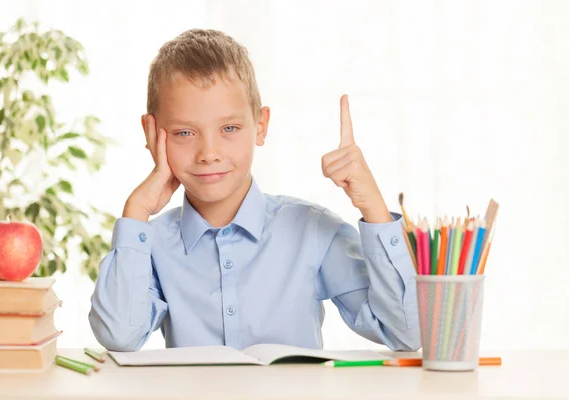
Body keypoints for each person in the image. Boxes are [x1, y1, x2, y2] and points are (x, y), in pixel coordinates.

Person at [89, 29, 420, 352]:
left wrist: (373, 206)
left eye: (229, 128)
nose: (209, 153)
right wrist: (136, 213)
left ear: (260, 126)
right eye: (184, 133)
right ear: (152, 133)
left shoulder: (312, 230)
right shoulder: (153, 243)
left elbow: (406, 332)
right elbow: (119, 335)